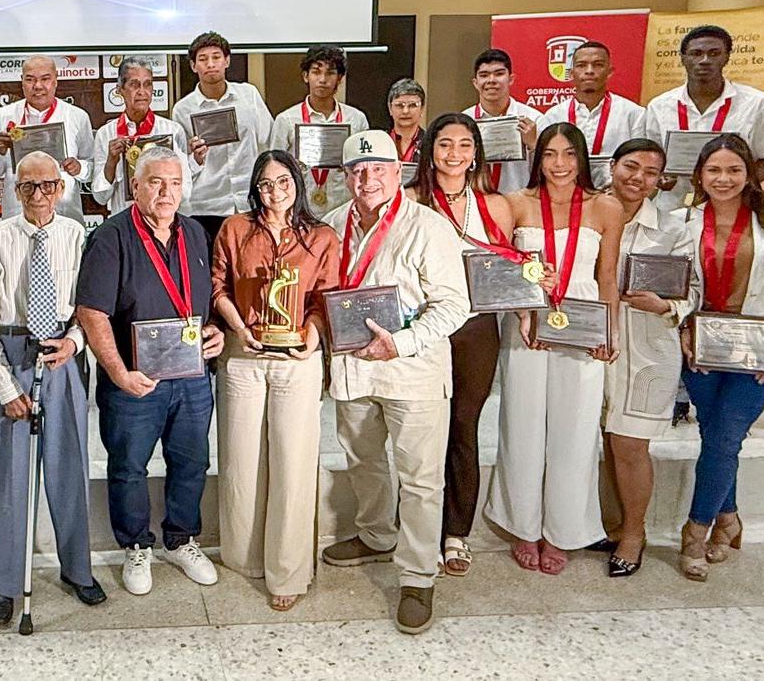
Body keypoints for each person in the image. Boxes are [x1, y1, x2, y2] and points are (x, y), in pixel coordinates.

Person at [319, 131, 469, 635]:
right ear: (345, 177)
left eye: (378, 168)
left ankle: (418, 575)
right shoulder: (332, 224)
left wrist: (400, 343)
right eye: (357, 171)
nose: (367, 179)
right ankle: (376, 534)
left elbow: (454, 305)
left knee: (421, 478)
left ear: (398, 170)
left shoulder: (429, 227)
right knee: (363, 461)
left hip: (413, 372)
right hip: (354, 370)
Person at [76, 146, 225, 596]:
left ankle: (181, 538)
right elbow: (91, 312)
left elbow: (201, 302)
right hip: (135, 384)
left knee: (192, 460)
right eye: (156, 182)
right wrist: (119, 373)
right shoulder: (111, 237)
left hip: (192, 378)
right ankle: (136, 544)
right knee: (129, 467)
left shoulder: (195, 233)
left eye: (175, 183)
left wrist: (214, 332)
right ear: (135, 186)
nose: (166, 192)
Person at [0, 152, 107, 627]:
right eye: (28, 187)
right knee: (9, 477)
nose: (39, 196)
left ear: (60, 188)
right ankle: (7, 584)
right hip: (10, 357)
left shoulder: (76, 235)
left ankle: (77, 570)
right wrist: (7, 388)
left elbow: (90, 307)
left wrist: (75, 341)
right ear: (15, 189)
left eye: (48, 186)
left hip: (61, 356)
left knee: (69, 467)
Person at [484, 123, 623, 575]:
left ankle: (563, 530)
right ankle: (523, 524)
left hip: (582, 326)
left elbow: (607, 276)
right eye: (549, 154)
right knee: (522, 424)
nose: (559, 164)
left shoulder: (606, 207)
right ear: (536, 158)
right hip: (528, 323)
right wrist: (523, 312)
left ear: (582, 158)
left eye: (568, 154)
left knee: (576, 430)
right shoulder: (516, 204)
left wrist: (610, 331)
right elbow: (502, 267)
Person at [676, 134, 764, 581]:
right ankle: (729, 518)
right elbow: (677, 286)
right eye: (714, 170)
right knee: (718, 436)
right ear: (699, 175)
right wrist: (684, 330)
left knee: (725, 435)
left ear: (750, 173)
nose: (724, 178)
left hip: (760, 349)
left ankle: (695, 531)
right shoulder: (681, 222)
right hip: (704, 348)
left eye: (734, 170)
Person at [209, 151, 339, 611]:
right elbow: (219, 286)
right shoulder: (234, 229)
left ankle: (288, 570)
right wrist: (237, 328)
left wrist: (314, 333)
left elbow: (327, 296)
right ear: (254, 188)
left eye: (283, 181)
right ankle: (245, 557)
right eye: (265, 184)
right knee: (242, 459)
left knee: (293, 460)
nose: (275, 191)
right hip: (243, 355)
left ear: (297, 183)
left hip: (296, 359)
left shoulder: (322, 236)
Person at [406, 113, 519, 578]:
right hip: (427, 327)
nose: (454, 154)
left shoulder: (497, 205)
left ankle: (456, 532)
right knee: (420, 431)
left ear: (476, 152)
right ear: (430, 150)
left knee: (464, 427)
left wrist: (534, 279)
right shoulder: (411, 199)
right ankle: (419, 528)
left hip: (476, 329)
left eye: (464, 145)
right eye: (445, 144)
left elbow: (508, 270)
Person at [597, 138, 697, 577]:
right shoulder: (588, 214)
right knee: (602, 439)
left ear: (662, 180)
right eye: (630, 167)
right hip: (594, 343)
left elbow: (693, 291)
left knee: (631, 444)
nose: (638, 178)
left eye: (650, 172)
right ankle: (611, 524)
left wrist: (666, 306)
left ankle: (634, 534)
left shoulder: (673, 229)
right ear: (613, 166)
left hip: (648, 349)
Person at [641, 25, 764, 212]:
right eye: (696, 53)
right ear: (683, 59)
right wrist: (658, 177)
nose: (704, 60)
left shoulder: (756, 103)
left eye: (714, 53)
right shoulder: (659, 106)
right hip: (672, 206)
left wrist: (737, 187)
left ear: (726, 57)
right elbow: (651, 158)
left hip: (732, 207)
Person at [172, 30, 272, 243]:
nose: (210, 64)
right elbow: (182, 166)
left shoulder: (249, 95)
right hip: (206, 206)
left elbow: (267, 140)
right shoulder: (183, 109)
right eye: (203, 59)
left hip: (249, 202)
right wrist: (195, 158)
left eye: (216, 57)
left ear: (227, 61)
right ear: (193, 66)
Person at [0, 55, 96, 224]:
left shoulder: (77, 116)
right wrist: (0, 152)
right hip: (17, 217)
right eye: (30, 79)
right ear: (22, 82)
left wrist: (79, 168)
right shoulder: (4, 116)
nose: (38, 86)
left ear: (56, 81)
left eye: (45, 79)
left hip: (64, 216)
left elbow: (93, 169)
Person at [266, 45, 372, 216]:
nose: (323, 79)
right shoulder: (286, 120)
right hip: (299, 210)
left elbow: (364, 166)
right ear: (305, 76)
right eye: (316, 72)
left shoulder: (356, 119)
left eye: (330, 73)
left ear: (340, 78)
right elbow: (274, 168)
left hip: (344, 209)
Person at [90, 57, 192, 216]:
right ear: (120, 89)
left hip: (163, 223)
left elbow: (185, 193)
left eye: (147, 84)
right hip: (124, 222)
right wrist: (111, 161)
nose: (142, 92)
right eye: (134, 84)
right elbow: (100, 197)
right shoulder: (106, 134)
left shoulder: (172, 131)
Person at [535, 42, 645, 188]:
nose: (589, 71)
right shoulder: (553, 116)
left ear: (609, 71)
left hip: (616, 198)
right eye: (581, 65)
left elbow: (640, 161)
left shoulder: (633, 114)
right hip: (566, 197)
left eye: (598, 65)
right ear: (571, 73)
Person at [464, 49, 541, 194]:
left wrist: (533, 145)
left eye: (499, 74)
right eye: (484, 75)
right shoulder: (463, 122)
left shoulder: (534, 119)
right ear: (475, 83)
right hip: (476, 203)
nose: (491, 80)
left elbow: (549, 171)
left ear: (511, 79)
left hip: (520, 203)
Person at [386, 78, 427, 165]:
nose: (405, 111)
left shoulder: (431, 143)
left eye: (412, 105)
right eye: (399, 105)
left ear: (422, 109)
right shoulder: (379, 142)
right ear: (390, 108)